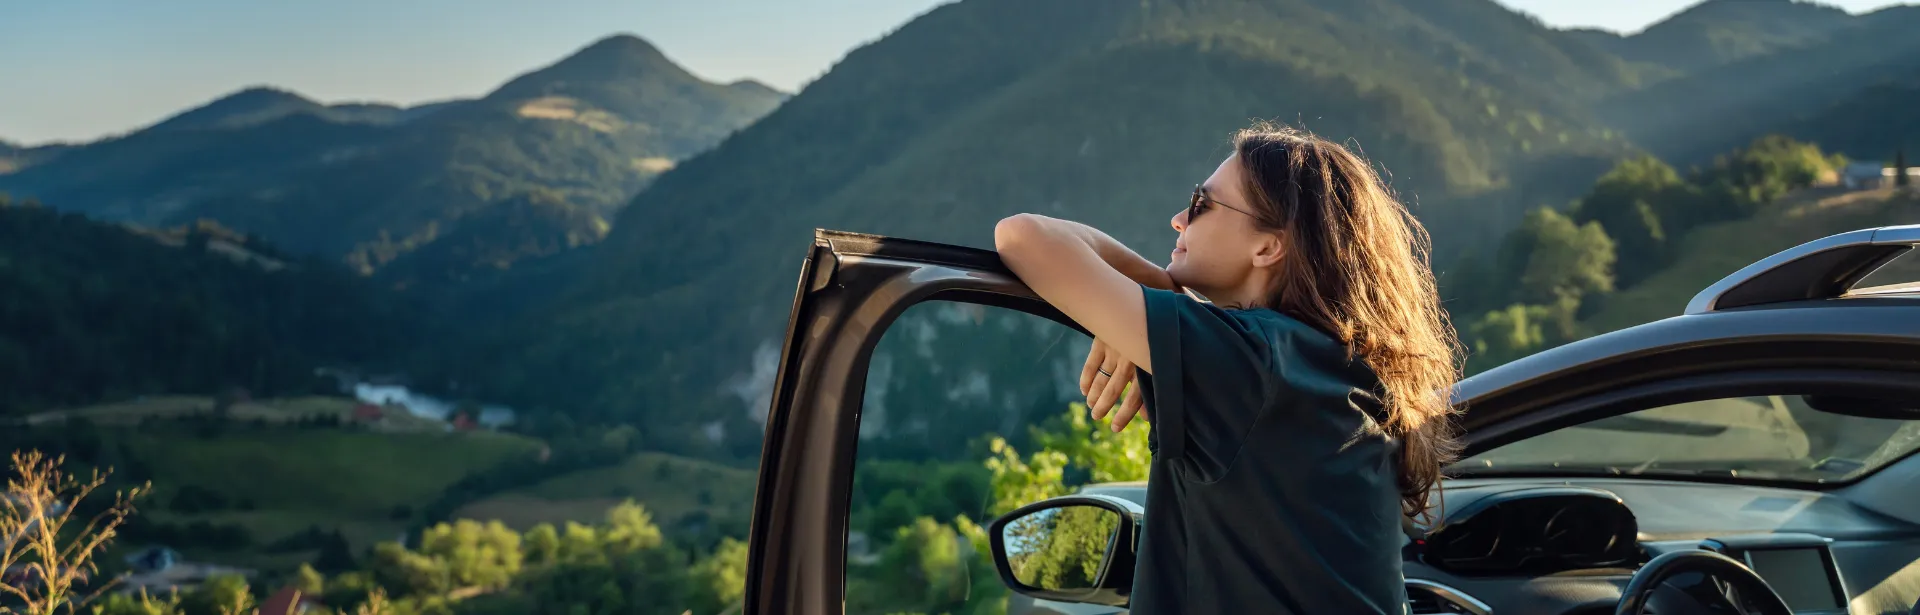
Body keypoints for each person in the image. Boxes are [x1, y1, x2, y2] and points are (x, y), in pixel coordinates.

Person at [993, 122, 1463, 614]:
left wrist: (1156, 297)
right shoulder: (1334, 368)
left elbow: (1023, 237)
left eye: (1201, 204)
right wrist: (1157, 306)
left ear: (1267, 247)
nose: (1179, 219)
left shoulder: (1253, 362)